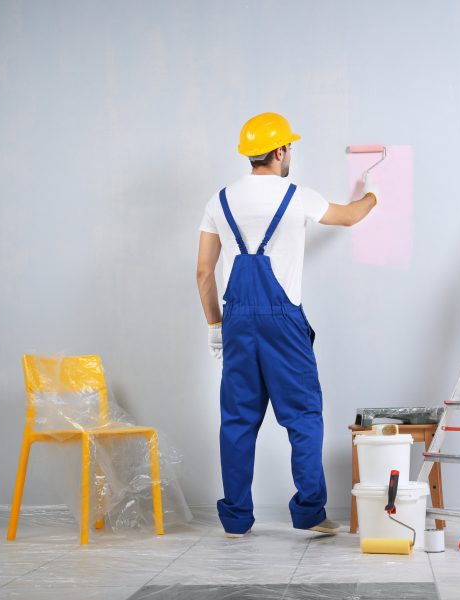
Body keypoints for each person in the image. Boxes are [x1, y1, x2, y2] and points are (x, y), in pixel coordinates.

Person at [196, 112, 378, 538]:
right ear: (279, 152)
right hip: (284, 325)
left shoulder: (219, 200)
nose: (290, 153)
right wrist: (372, 196)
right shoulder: (296, 195)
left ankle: (236, 520)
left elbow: (204, 273)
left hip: (237, 322)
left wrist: (214, 327)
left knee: (238, 421)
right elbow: (350, 217)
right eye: (289, 147)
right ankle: (311, 512)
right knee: (302, 417)